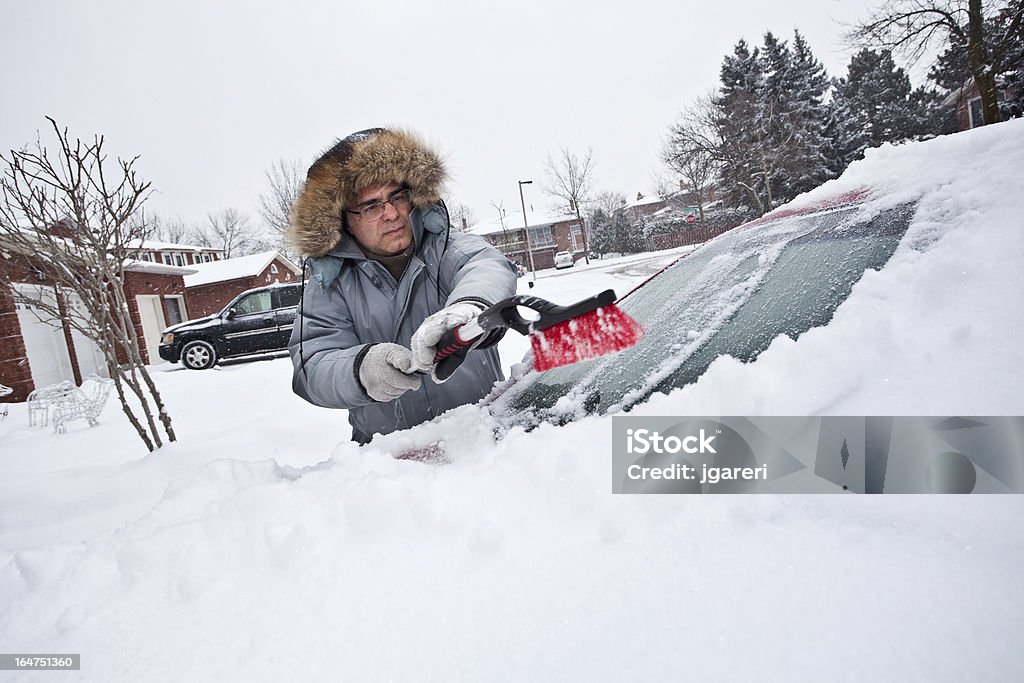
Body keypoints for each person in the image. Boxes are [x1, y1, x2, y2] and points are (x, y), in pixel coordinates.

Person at [286, 128, 517, 445]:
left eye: (397, 197)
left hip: (479, 437)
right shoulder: (329, 287)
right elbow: (311, 367)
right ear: (343, 219)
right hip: (392, 464)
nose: (392, 213)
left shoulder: (444, 247)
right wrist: (361, 371)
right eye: (371, 206)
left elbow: (485, 266)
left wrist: (467, 308)